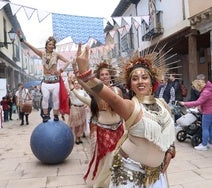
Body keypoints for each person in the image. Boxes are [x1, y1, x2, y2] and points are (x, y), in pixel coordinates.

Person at [74, 45, 176, 187]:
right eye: (135, 79)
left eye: (144, 77)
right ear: (130, 85)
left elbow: (169, 130)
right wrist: (86, 73)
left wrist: (171, 149)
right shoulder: (130, 106)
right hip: (129, 175)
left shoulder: (163, 104)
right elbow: (112, 99)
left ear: (152, 82)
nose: (140, 81)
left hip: (156, 175)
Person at [73, 62, 125, 188]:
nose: (105, 76)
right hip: (104, 129)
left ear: (110, 76)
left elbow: (123, 108)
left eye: (107, 74)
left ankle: (116, 181)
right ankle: (105, 183)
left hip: (119, 128)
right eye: (102, 74)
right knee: (107, 157)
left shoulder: (117, 90)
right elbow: (84, 85)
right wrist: (78, 74)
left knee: (118, 157)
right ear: (99, 77)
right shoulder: (96, 91)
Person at [17, 31, 70, 122]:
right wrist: (22, 40)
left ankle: (56, 116)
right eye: (49, 44)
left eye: (52, 44)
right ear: (46, 45)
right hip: (45, 82)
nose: (51, 46)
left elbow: (68, 61)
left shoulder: (56, 55)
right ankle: (45, 115)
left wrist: (61, 70)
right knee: (45, 97)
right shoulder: (42, 54)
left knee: (55, 99)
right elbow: (32, 48)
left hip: (55, 81)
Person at [179, 80, 212, 151]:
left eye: (195, 87)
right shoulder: (209, 89)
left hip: (207, 112)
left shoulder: (205, 92)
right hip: (210, 111)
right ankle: (210, 142)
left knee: (205, 128)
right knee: (210, 128)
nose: (195, 89)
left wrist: (185, 103)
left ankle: (204, 145)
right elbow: (206, 101)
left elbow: (198, 102)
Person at [68, 78, 88, 145]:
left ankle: (78, 138)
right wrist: (69, 81)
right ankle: (75, 138)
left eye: (78, 83)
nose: (76, 85)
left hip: (82, 109)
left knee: (81, 124)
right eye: (75, 83)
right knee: (76, 124)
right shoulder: (72, 91)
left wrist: (86, 104)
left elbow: (88, 98)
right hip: (74, 108)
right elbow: (69, 86)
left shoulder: (83, 91)